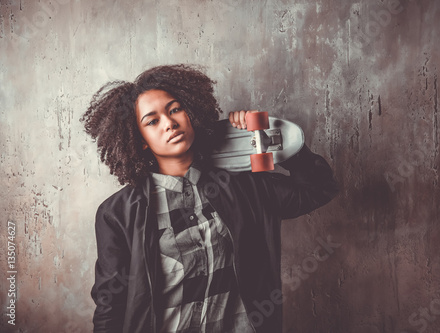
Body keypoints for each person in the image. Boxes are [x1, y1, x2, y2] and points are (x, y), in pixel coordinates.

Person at [80, 64, 339, 333]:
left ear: (190, 113)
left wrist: (275, 137)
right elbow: (110, 305)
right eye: (152, 121)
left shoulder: (243, 186)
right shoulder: (118, 213)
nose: (169, 123)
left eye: (175, 109)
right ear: (140, 139)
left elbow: (319, 188)